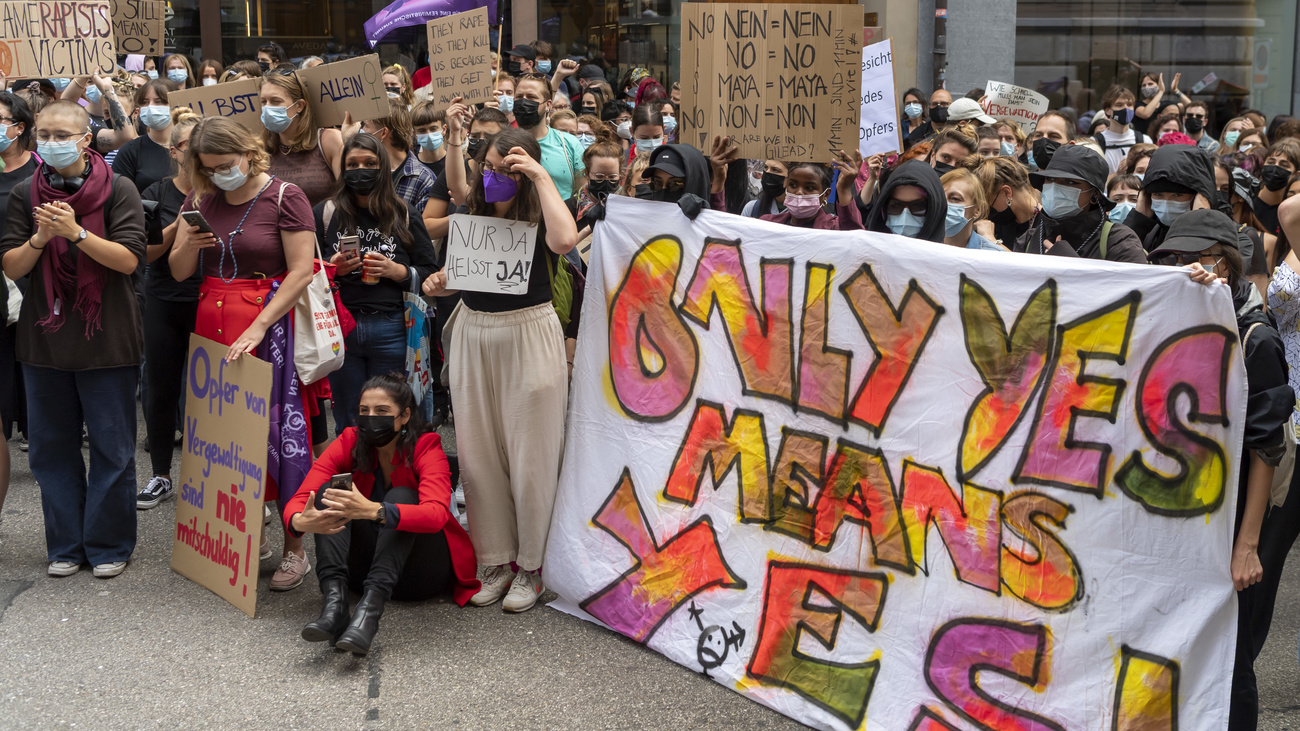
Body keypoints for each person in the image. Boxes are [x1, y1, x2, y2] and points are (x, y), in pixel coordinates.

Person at [420, 129, 578, 612]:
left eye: (507, 169)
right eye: (488, 168)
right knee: (478, 452)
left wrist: (537, 175)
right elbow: (458, 280)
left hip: (528, 331)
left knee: (532, 455)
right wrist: (439, 283)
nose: (495, 177)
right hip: (474, 331)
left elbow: (565, 239)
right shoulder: (470, 217)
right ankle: (494, 561)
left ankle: (532, 566)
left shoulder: (540, 213)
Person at [1150, 210, 1290, 731]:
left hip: (1233, 519)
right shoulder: (1170, 320)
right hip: (1185, 511)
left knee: (1231, 658)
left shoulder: (1256, 339)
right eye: (1172, 259)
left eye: (1196, 260)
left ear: (1225, 267)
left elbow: (1266, 447)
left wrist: (1248, 544)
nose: (1184, 270)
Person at [170, 116, 317, 592]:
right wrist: (188, 242)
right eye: (208, 167)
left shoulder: (284, 196)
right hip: (212, 322)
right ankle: (238, 535)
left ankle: (297, 550)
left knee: (273, 436)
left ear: (249, 153)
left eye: (225, 165)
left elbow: (300, 272)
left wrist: (258, 326)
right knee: (222, 438)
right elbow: (177, 271)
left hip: (266, 327)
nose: (217, 174)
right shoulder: (201, 198)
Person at [0, 100, 146, 578]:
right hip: (45, 341)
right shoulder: (25, 193)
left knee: (111, 448)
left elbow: (128, 260)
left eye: (62, 133)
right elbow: (13, 266)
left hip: (107, 338)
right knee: (50, 448)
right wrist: (42, 238)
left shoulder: (118, 188)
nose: (51, 141)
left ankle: (107, 545)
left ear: (85, 139)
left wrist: (76, 232)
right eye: (44, 133)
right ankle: (65, 544)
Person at [285, 375, 479, 654]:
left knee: (401, 497)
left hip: (420, 574)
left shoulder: (426, 445)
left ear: (404, 416)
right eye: (364, 411)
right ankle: (335, 604)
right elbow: (303, 497)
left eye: (382, 411)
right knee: (331, 490)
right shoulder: (350, 440)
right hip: (361, 573)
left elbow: (436, 514)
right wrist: (298, 520)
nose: (370, 418)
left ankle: (369, 614)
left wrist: (373, 510)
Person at [318, 134, 438, 433]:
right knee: (348, 418)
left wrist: (397, 271)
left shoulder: (404, 213)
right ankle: (358, 476)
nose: (361, 170)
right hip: (340, 329)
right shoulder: (325, 213)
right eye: (353, 164)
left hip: (393, 328)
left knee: (391, 416)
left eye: (370, 163)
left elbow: (429, 272)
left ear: (383, 167)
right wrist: (332, 268)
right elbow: (304, 271)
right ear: (342, 169)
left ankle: (393, 477)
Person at [136, 109, 204, 510]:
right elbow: (146, 251)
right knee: (159, 391)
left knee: (212, 395)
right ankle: (161, 474)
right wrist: (181, 220)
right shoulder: (156, 193)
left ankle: (211, 478)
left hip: (210, 300)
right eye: (191, 147)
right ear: (175, 151)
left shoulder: (227, 191)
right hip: (164, 299)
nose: (198, 154)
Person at [1022, 145, 1146, 262]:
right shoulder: (1029, 239)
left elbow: (1134, 284)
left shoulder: (1119, 241)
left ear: (1094, 195)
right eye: (1050, 179)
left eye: (1069, 182)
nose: (1055, 187)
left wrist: (1074, 267)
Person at [261, 72, 344, 207]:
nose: (267, 108)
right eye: (263, 102)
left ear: (299, 105)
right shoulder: (261, 149)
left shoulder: (329, 140)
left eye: (276, 101)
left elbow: (349, 194)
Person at [1125, 143, 1219, 254]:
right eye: (1158, 194)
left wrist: (1200, 220)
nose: (1166, 203)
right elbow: (1117, 260)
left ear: (1200, 196)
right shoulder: (1148, 233)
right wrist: (1138, 219)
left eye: (1177, 195)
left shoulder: (1231, 236)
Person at [510, 73, 586, 201]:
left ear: (548, 104)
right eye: (519, 97)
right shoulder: (503, 142)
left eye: (531, 97)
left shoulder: (570, 143)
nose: (523, 101)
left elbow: (582, 195)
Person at [355, 99, 436, 215]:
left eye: (366, 126)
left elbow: (420, 230)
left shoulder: (423, 179)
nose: (362, 130)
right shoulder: (364, 169)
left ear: (383, 133)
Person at [112, 79, 180, 194]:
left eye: (158, 101)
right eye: (145, 102)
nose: (150, 107)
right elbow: (118, 194)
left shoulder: (190, 147)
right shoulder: (131, 150)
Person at [761, 154, 862, 231]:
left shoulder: (833, 228)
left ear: (826, 194)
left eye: (809, 188)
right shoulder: (767, 225)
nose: (799, 192)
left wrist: (844, 189)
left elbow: (854, 238)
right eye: (793, 185)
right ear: (786, 185)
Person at [972, 155, 1042, 249]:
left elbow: (1029, 263)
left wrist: (991, 240)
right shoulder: (999, 225)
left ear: (1006, 192)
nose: (988, 210)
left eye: (988, 202)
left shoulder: (1046, 225)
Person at [865, 160, 946, 242]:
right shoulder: (868, 251)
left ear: (935, 209)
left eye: (918, 206)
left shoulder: (948, 254)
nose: (904, 219)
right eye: (895, 205)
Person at [1094, 86, 1153, 175]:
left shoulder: (1145, 140)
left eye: (1129, 105)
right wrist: (1117, 174)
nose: (1126, 109)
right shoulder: (1096, 143)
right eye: (1119, 105)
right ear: (1108, 111)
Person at [941, 168, 1004, 250]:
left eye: (955, 199)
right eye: (940, 197)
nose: (944, 204)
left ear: (977, 210)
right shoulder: (922, 244)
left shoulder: (992, 255)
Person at [1253, 139, 1300, 236]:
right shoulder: (1247, 199)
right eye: (1271, 162)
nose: (1275, 168)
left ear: (1296, 174)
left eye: (1284, 165)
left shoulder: (1292, 209)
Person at [410, 101, 447, 179]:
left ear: (444, 129)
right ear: (415, 134)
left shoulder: (456, 162)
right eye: (422, 130)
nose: (429, 135)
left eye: (433, 129)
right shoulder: (411, 166)